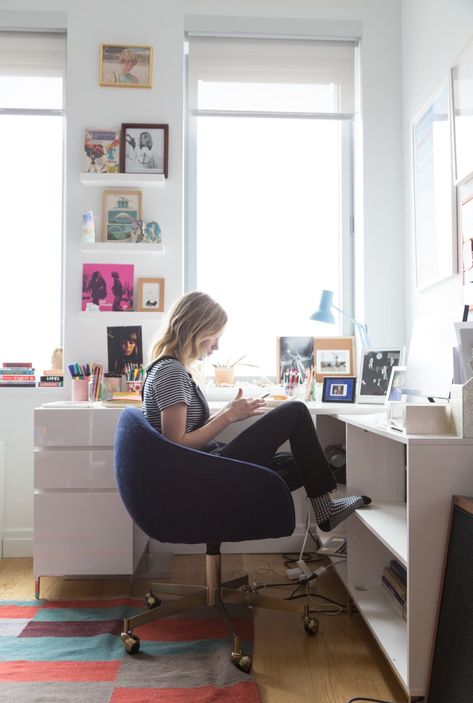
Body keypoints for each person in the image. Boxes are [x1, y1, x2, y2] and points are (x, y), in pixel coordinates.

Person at [143, 291, 371, 532]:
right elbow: (176, 445)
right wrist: (229, 417)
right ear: (195, 330)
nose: (217, 346)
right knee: (295, 411)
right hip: (199, 472)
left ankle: (319, 506)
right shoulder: (171, 372)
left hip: (203, 464)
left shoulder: (169, 369)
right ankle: (325, 509)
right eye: (214, 337)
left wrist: (226, 412)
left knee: (298, 463)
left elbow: (187, 431)